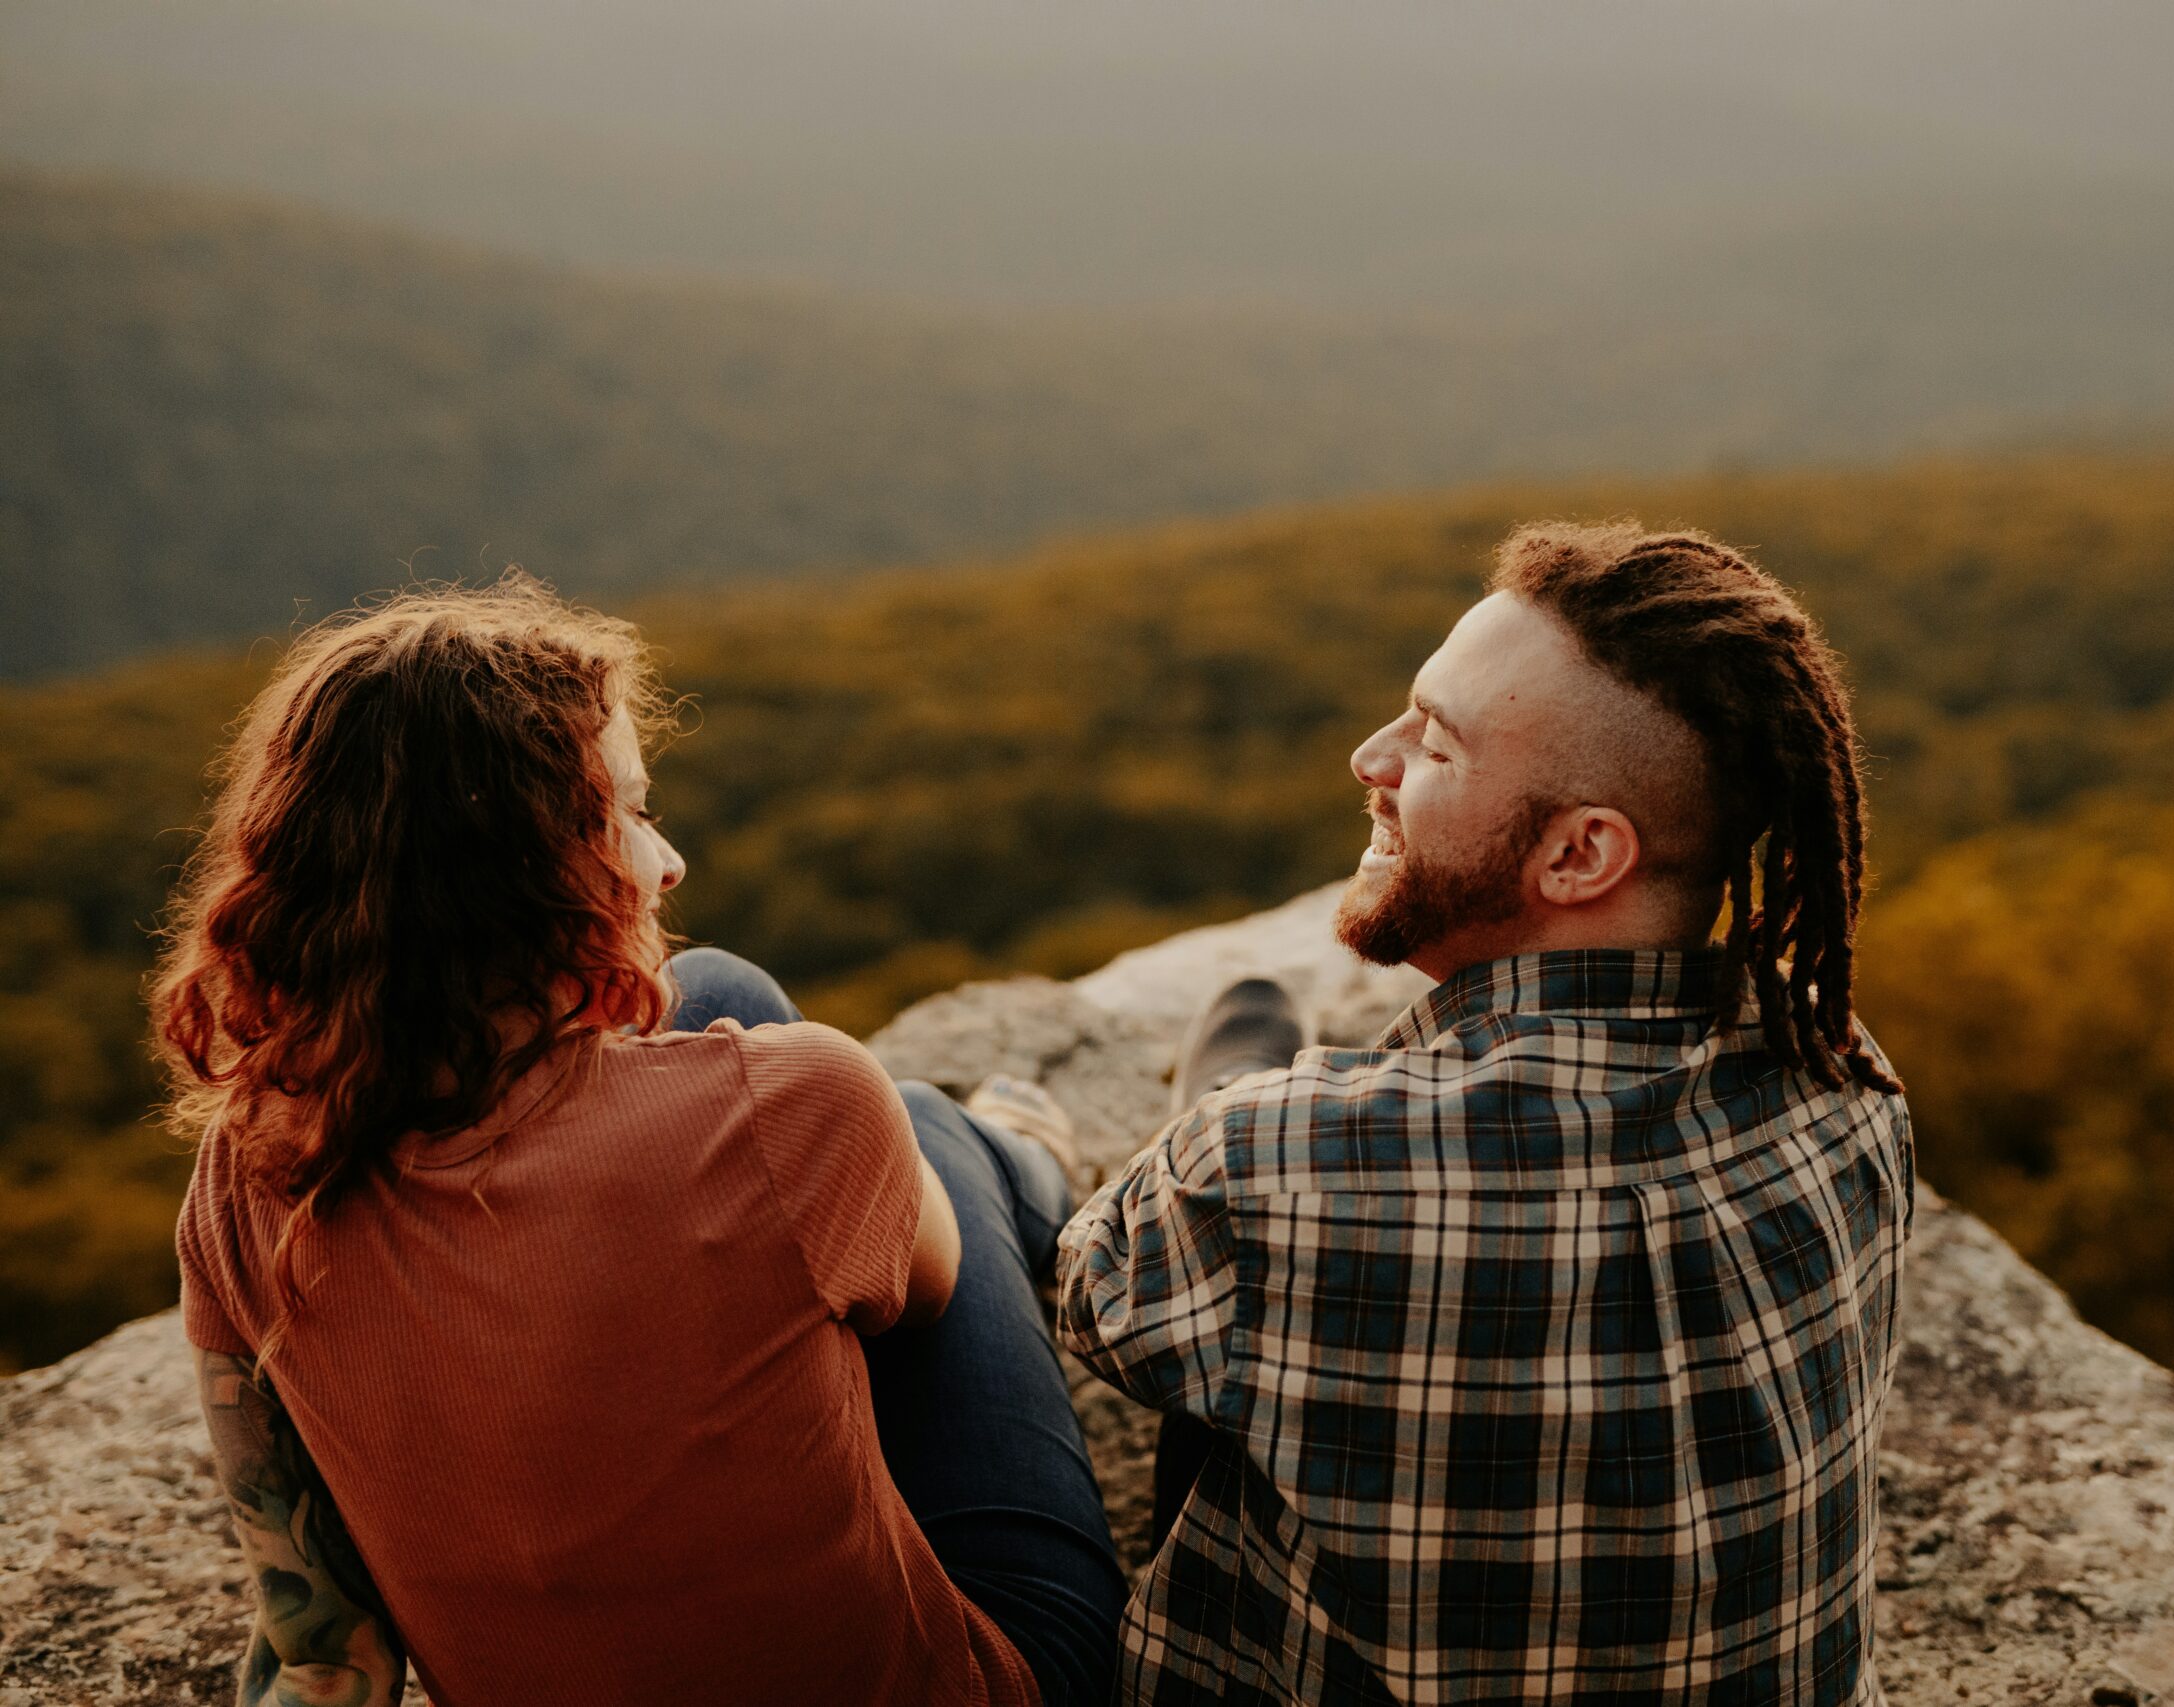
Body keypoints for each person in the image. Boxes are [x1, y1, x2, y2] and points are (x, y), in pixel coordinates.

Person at [156, 575, 1124, 1706]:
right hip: (978, 1681)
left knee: (711, 986)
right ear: (524, 876)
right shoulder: (805, 1103)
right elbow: (923, 1295)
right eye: (625, 812)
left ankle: (1001, 1154)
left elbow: (320, 1644)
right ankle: (1021, 1157)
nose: (667, 864)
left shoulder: (245, 1170)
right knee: (919, 1124)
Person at [1056, 522, 1916, 1704]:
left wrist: (1206, 1141)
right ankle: (1240, 1042)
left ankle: (1041, 1127)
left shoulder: (1283, 1157)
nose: (1373, 756)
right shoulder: (1848, 1085)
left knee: (1006, 1161)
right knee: (1254, 1092)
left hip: (1260, 1185)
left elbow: (1091, 1307)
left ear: (1578, 856)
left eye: (1435, 745)